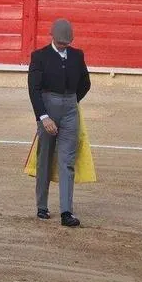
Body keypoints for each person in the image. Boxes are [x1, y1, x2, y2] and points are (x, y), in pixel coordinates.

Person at [27, 19, 91, 227]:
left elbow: (85, 83)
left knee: (67, 160)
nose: (64, 46)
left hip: (70, 108)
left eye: (67, 43)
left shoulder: (77, 55)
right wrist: (43, 116)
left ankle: (66, 212)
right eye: (61, 43)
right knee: (44, 157)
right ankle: (42, 206)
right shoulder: (40, 56)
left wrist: (71, 102)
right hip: (48, 107)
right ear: (52, 37)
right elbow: (34, 89)